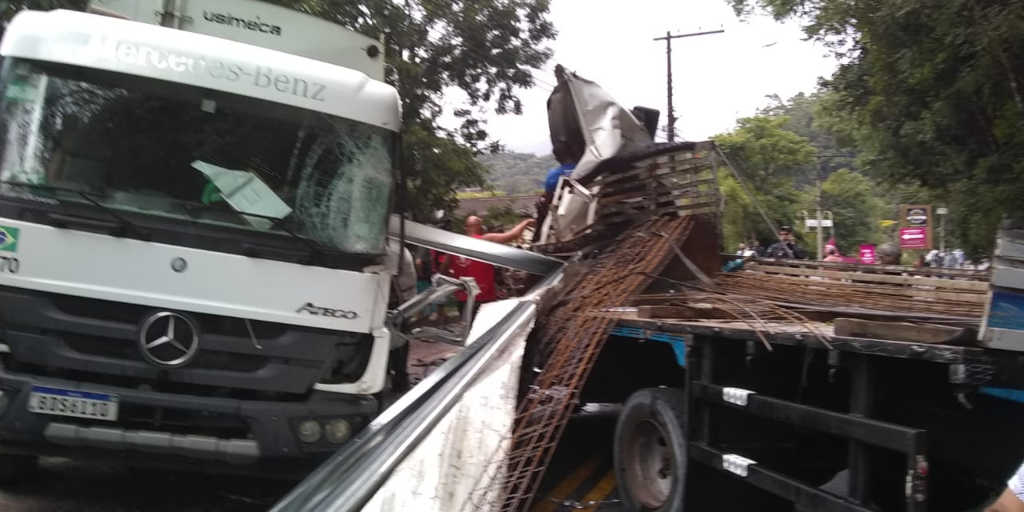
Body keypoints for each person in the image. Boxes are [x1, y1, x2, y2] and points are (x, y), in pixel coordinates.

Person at [443, 215, 536, 318]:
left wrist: (459, 278)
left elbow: (443, 271)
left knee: (469, 331)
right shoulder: (485, 240)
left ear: (466, 228)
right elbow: (513, 235)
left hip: (463, 300)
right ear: (481, 227)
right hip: (483, 298)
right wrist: (526, 222)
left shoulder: (455, 246)